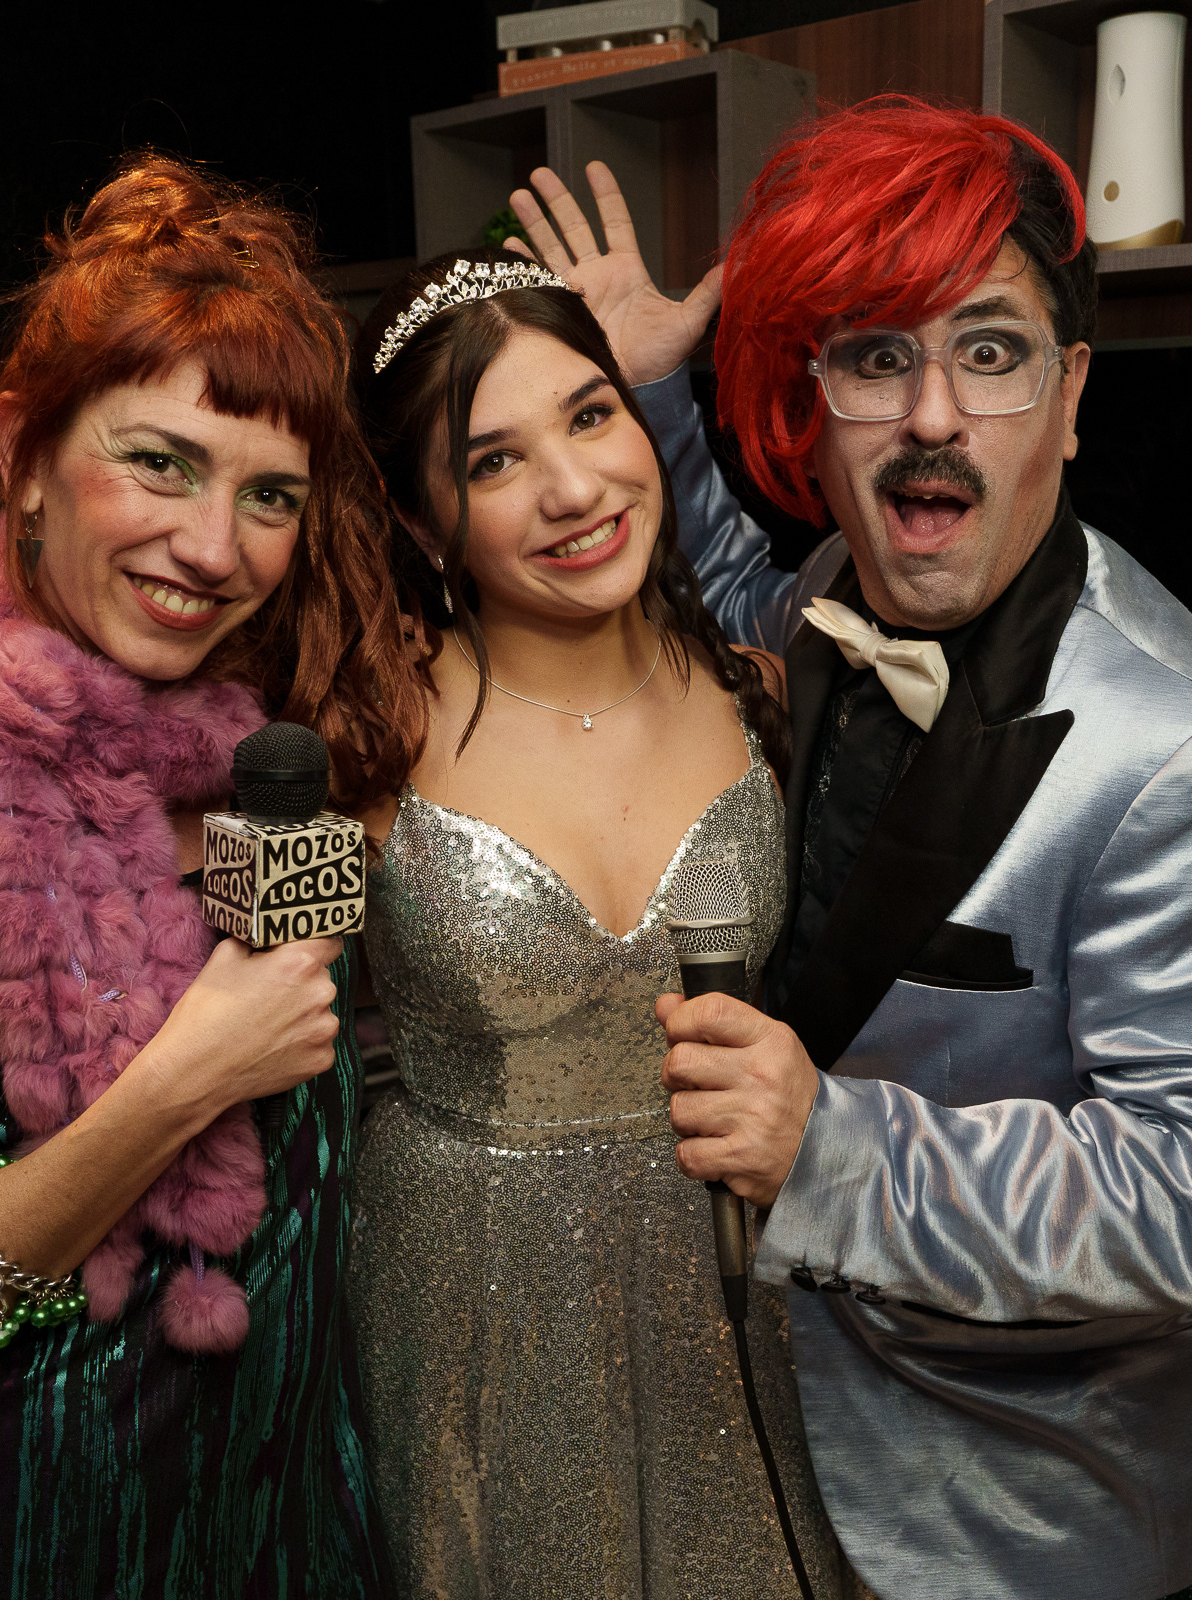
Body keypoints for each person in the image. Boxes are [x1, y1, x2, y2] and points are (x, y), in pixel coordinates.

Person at [505, 101, 1192, 1600]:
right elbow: (732, 587)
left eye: (991, 352)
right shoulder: (834, 593)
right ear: (815, 402)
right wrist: (656, 393)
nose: (934, 414)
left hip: (1007, 1530)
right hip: (760, 1465)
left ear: (1070, 397)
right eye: (878, 357)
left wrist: (833, 1150)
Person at [0, 156, 425, 1598]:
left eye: (269, 495)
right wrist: (184, 1081)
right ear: (24, 454)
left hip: (295, 1527)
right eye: (158, 462)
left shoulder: (259, 767)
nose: (213, 547)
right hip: (48, 1534)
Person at [346, 251, 845, 1598]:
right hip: (465, 1303)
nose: (574, 489)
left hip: (735, 1291)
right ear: (422, 518)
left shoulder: (758, 693)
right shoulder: (368, 738)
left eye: (590, 414)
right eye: (494, 461)